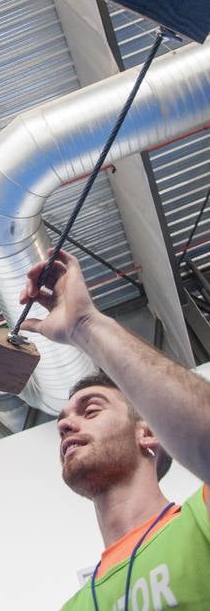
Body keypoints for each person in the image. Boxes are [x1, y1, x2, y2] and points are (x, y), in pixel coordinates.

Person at [19, 249, 210, 610]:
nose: (64, 424)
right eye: (63, 420)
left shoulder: (200, 521)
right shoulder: (75, 606)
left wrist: (85, 326)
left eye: (90, 409)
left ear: (148, 433)